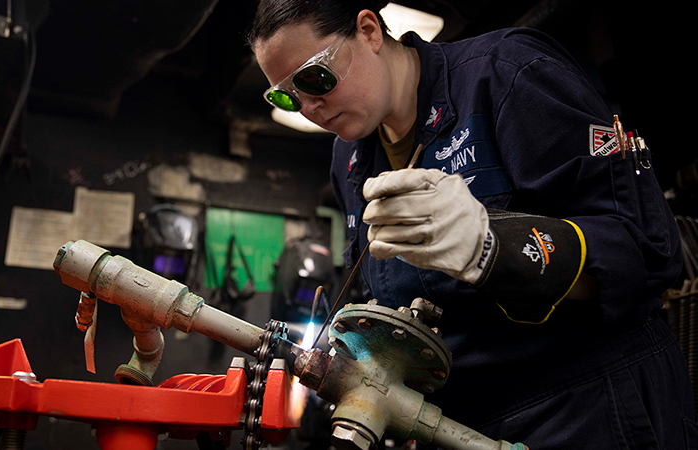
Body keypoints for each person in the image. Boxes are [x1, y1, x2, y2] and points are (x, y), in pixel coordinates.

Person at [248, 1, 696, 449]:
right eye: (287, 96)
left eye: (313, 78)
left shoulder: (506, 74)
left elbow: (646, 252)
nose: (310, 107)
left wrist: (492, 246)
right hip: (456, 425)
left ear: (368, 31)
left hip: (586, 406)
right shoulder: (349, 158)